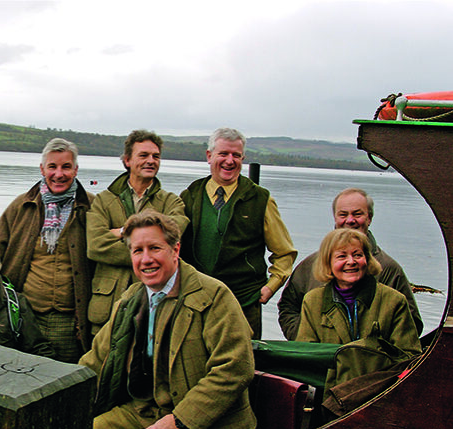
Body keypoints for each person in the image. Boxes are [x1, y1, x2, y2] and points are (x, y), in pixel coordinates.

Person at [80, 211, 256, 429]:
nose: (146, 259)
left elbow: (235, 369)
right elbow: (95, 360)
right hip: (143, 410)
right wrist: (62, 399)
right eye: (137, 251)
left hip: (206, 427)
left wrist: (180, 419)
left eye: (155, 248)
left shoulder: (214, 296)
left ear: (175, 250)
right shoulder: (130, 299)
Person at [0, 138, 95, 362]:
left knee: (65, 382)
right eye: (52, 167)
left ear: (75, 169)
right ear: (42, 169)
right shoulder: (22, 205)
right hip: (25, 315)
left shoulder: (92, 207)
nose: (59, 174)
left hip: (71, 321)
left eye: (66, 167)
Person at [179, 127, 297, 339]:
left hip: (244, 304)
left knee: (243, 366)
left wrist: (271, 287)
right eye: (223, 154)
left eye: (236, 155)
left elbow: (284, 252)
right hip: (195, 303)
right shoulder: (189, 196)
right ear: (209, 156)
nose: (229, 161)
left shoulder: (261, 199)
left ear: (243, 158)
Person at [278, 188, 423, 340]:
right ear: (335, 217)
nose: (350, 220)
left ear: (369, 218)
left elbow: (412, 324)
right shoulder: (309, 265)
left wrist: (376, 350)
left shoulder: (389, 268)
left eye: (357, 214)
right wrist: (304, 338)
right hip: (323, 361)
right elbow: (288, 307)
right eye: (343, 214)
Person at [86, 129, 189, 334]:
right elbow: (95, 246)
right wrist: (152, 248)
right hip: (107, 311)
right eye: (143, 155)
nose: (151, 161)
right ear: (127, 161)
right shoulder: (103, 201)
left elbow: (173, 237)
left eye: (156, 156)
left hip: (154, 310)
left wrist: (120, 232)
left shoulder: (172, 202)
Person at [296, 228, 421, 357]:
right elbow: (306, 354)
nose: (351, 262)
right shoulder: (312, 301)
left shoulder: (394, 300)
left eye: (357, 255)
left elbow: (409, 355)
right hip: (329, 377)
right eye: (341, 256)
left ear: (367, 259)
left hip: (380, 377)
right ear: (328, 262)